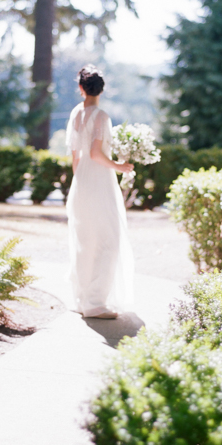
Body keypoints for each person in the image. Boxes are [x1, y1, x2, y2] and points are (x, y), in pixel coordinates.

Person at [65, 64, 135, 319]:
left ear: (81, 88)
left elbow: (77, 156)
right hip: (99, 181)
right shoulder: (102, 116)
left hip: (81, 180)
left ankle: (83, 298)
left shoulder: (75, 114)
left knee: (85, 239)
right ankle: (95, 302)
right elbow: (96, 154)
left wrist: (79, 181)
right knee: (108, 239)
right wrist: (119, 166)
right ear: (101, 89)